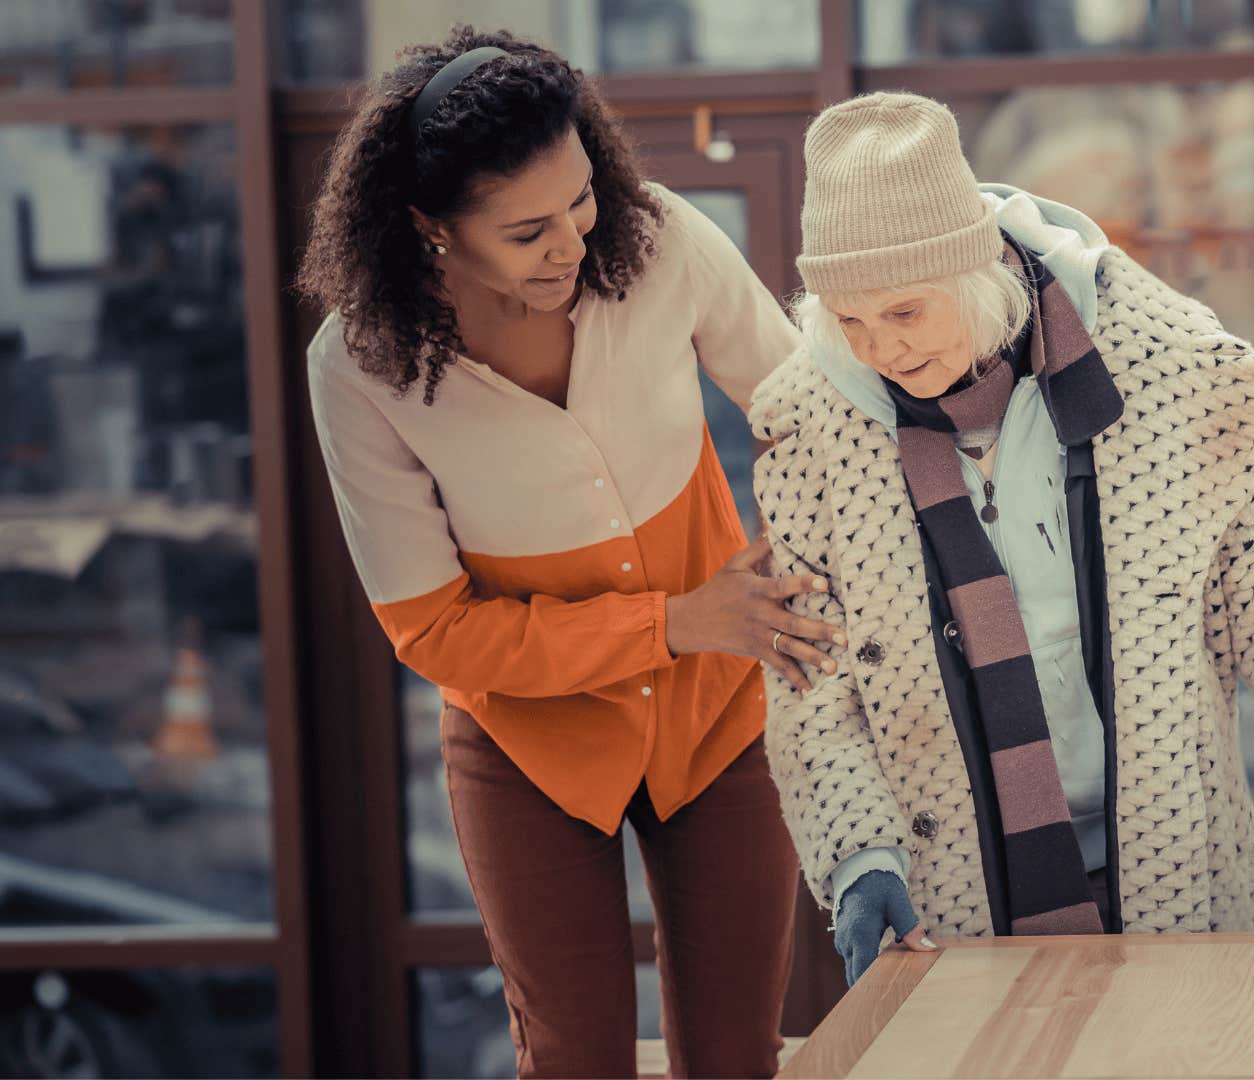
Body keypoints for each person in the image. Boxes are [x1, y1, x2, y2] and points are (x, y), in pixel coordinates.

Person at [751, 92, 1254, 985]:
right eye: (850, 321)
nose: (880, 349)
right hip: (946, 887)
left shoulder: (1170, 371)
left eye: (906, 313)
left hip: (1170, 854)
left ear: (976, 275)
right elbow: (811, 675)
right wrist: (857, 856)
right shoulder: (811, 431)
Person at [296, 26, 837, 1077]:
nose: (573, 242)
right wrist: (674, 623)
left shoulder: (663, 240)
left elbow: (805, 410)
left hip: (718, 719)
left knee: (734, 1057)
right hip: (529, 755)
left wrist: (802, 565)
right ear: (429, 228)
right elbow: (432, 630)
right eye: (527, 229)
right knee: (574, 1055)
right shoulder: (358, 369)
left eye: (582, 197)